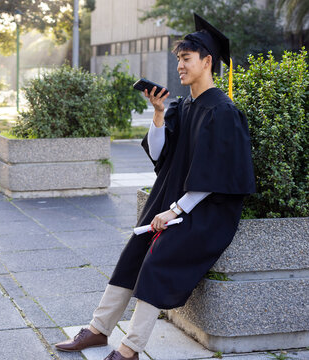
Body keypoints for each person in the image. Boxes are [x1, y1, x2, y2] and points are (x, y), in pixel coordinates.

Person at [55, 14, 256, 360]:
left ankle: (130, 348)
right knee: (134, 251)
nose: (179, 64)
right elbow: (162, 156)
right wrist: (159, 113)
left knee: (157, 260)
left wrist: (175, 210)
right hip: (173, 198)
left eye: (186, 58)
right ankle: (97, 330)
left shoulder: (223, 112)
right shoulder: (184, 106)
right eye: (178, 58)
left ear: (207, 61)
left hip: (207, 210)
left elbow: (216, 175)